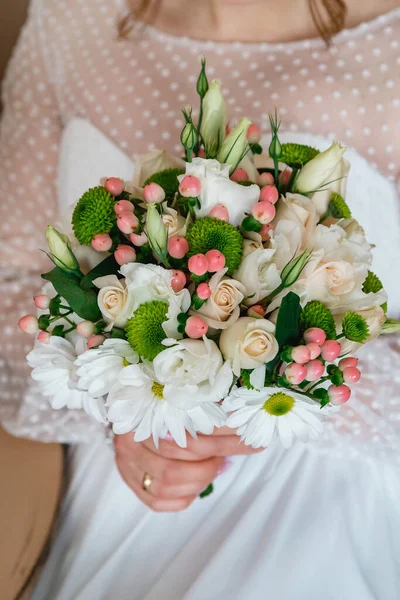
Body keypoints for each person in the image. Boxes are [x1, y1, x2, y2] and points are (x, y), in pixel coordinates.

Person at [0, 0, 400, 598]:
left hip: (334, 486)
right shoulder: (68, 20)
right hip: (126, 475)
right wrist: (123, 410)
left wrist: (290, 387)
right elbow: (11, 291)